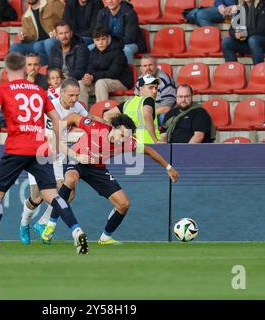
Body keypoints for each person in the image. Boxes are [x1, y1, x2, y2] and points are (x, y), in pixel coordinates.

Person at [0, 53, 89, 255]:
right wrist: (58, 143)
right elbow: (58, 120)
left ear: (6, 70)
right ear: (25, 68)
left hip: (16, 148)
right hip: (39, 148)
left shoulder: (2, 90)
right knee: (52, 194)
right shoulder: (39, 91)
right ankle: (76, 230)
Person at [40, 113, 179, 245]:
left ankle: (105, 237)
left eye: (127, 137)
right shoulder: (95, 127)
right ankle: (51, 225)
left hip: (97, 169)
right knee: (70, 179)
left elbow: (149, 151)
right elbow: (73, 117)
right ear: (113, 128)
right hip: (78, 160)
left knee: (124, 204)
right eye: (122, 135)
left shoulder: (128, 142)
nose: (123, 139)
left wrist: (168, 167)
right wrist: (58, 131)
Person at [19, 78, 89, 245]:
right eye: (71, 95)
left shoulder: (77, 108)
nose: (74, 99)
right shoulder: (49, 107)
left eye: (77, 95)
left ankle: (42, 223)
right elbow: (51, 138)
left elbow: (89, 124)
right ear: (61, 93)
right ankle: (24, 224)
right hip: (40, 154)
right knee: (37, 197)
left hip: (58, 156)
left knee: (68, 193)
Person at [221, 0, 265, 65]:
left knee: (253, 40)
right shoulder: (240, 8)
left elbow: (263, 30)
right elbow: (231, 30)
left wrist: (245, 33)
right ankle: (233, 74)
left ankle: (258, 72)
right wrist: (235, 34)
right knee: (226, 42)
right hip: (251, 42)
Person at [79, 26, 133, 106]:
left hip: (120, 82)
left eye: (103, 39)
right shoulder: (94, 52)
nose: (100, 42)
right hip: (100, 81)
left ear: (108, 38)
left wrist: (93, 76)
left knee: (101, 83)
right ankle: (82, 114)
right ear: (94, 41)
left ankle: (100, 114)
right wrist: (88, 76)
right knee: (81, 83)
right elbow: (90, 68)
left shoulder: (118, 51)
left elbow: (114, 73)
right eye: (97, 40)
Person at [103, 74, 163, 144]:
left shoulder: (127, 103)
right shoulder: (149, 99)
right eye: (151, 88)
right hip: (148, 144)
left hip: (130, 146)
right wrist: (155, 140)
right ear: (141, 88)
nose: (155, 91)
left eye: (156, 88)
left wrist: (112, 132)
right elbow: (146, 114)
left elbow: (107, 115)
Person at [8, 0, 64, 66]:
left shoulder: (52, 3)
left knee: (44, 44)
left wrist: (58, 30)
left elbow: (66, 18)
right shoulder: (25, 16)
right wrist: (23, 37)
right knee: (14, 48)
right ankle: (19, 74)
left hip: (54, 38)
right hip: (36, 43)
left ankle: (52, 69)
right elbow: (29, 37)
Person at [95, 0, 147, 64]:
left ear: (119, 0)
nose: (110, 1)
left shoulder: (130, 13)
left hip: (131, 43)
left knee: (127, 50)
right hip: (108, 42)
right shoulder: (102, 13)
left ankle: (128, 72)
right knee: (90, 47)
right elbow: (98, 33)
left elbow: (129, 38)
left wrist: (110, 44)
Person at [135, 55, 176, 125]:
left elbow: (168, 105)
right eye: (145, 66)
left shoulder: (164, 79)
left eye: (150, 65)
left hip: (162, 113)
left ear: (156, 66)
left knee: (163, 117)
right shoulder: (139, 81)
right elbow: (137, 101)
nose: (148, 68)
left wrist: (149, 113)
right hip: (147, 112)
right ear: (141, 69)